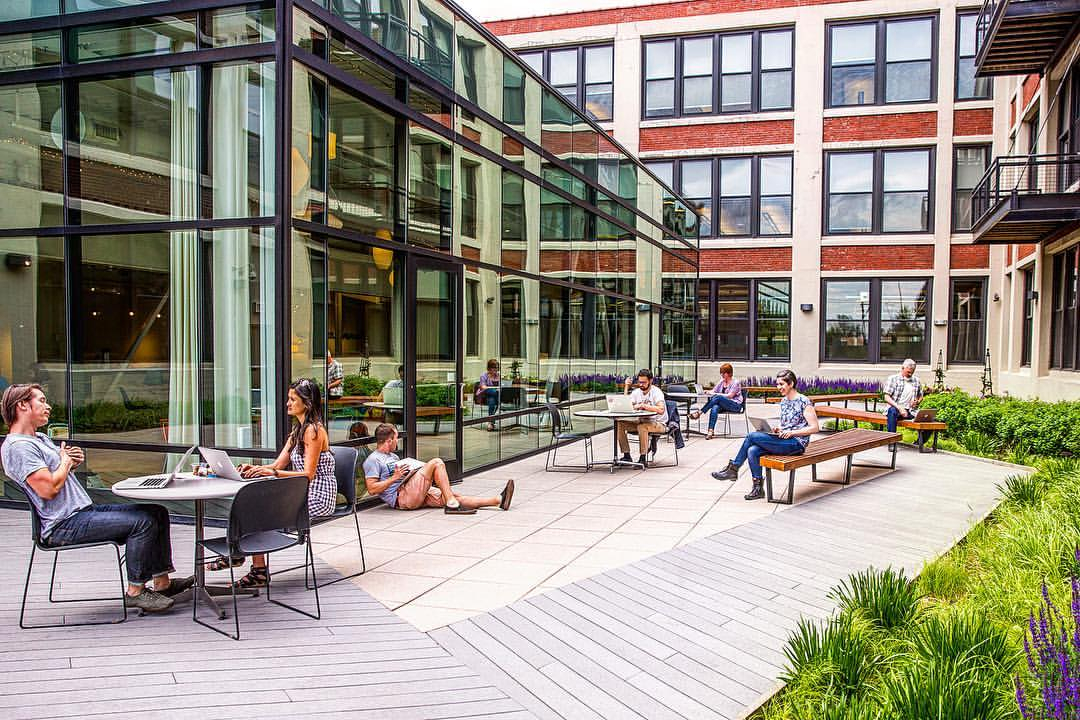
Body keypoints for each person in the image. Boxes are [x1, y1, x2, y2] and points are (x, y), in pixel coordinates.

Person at [1, 384, 192, 613]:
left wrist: (70, 462)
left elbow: (55, 472)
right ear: (22, 405)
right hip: (62, 525)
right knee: (143, 522)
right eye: (41, 400)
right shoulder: (19, 447)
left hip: (82, 512)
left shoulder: (39, 438)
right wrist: (65, 462)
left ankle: (163, 585)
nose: (48, 406)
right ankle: (135, 592)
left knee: (156, 512)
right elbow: (48, 489)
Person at [216, 378, 337, 588]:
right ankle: (246, 560)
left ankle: (248, 564)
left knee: (260, 510)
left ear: (307, 403)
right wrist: (256, 469)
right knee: (251, 503)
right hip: (300, 492)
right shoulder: (297, 431)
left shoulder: (314, 431)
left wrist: (271, 472)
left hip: (318, 495)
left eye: (293, 399)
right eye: (288, 399)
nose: (287, 403)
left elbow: (308, 475)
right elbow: (278, 464)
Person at [711, 369, 819, 501]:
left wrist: (792, 432)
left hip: (796, 443)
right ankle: (758, 489)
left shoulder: (804, 401)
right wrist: (779, 429)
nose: (778, 387)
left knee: (751, 436)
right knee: (752, 450)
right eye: (777, 384)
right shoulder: (784, 401)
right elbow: (787, 424)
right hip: (783, 440)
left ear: (791, 384)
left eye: (781, 384)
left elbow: (814, 428)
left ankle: (734, 468)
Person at [363, 424, 513, 514]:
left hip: (410, 489)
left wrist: (411, 472)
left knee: (452, 496)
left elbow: (400, 477)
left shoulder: (393, 456)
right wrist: (394, 478)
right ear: (389, 440)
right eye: (396, 438)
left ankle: (497, 500)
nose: (397, 441)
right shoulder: (373, 460)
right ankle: (451, 505)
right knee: (437, 462)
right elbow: (372, 489)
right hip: (401, 498)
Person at [616, 369, 669, 468]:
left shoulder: (656, 392)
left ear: (650, 381)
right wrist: (626, 387)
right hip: (641, 421)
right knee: (619, 424)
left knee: (642, 427)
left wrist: (643, 406)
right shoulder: (637, 392)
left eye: (644, 382)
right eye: (639, 382)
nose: (641, 385)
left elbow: (661, 409)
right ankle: (626, 455)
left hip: (659, 423)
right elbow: (626, 405)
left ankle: (643, 458)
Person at [688, 363, 744, 439]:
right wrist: (708, 392)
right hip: (724, 405)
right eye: (721, 373)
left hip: (735, 406)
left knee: (718, 397)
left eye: (723, 373)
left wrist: (715, 394)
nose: (722, 375)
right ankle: (710, 431)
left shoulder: (735, 382)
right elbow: (714, 391)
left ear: (728, 373)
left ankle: (699, 413)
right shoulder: (722, 381)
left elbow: (730, 396)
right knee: (715, 407)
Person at [883, 359, 923, 433]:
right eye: (908, 372)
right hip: (896, 409)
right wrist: (899, 408)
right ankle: (892, 438)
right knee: (892, 411)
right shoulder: (893, 379)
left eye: (912, 372)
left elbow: (920, 396)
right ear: (902, 368)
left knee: (928, 418)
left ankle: (920, 440)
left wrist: (917, 402)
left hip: (911, 411)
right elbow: (886, 397)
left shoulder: (916, 380)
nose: (910, 374)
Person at [476, 359, 501, 432]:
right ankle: (491, 421)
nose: (496, 369)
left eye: (497, 368)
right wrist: (494, 390)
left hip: (492, 397)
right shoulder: (484, 376)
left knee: (492, 401)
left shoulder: (498, 376)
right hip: (485, 395)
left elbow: (502, 385)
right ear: (489, 368)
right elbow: (483, 387)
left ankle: (490, 422)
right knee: (494, 393)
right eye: (494, 367)